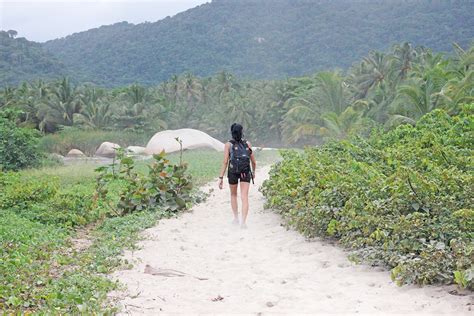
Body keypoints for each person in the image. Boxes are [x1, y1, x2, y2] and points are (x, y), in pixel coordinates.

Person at [218, 123, 256, 229]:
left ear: (231, 132)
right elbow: (253, 161)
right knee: (244, 197)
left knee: (233, 195)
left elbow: (225, 162)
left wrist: (221, 177)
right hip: (245, 171)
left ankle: (236, 218)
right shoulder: (247, 144)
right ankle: (243, 222)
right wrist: (254, 172)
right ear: (242, 132)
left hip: (233, 171)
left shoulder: (228, 145)